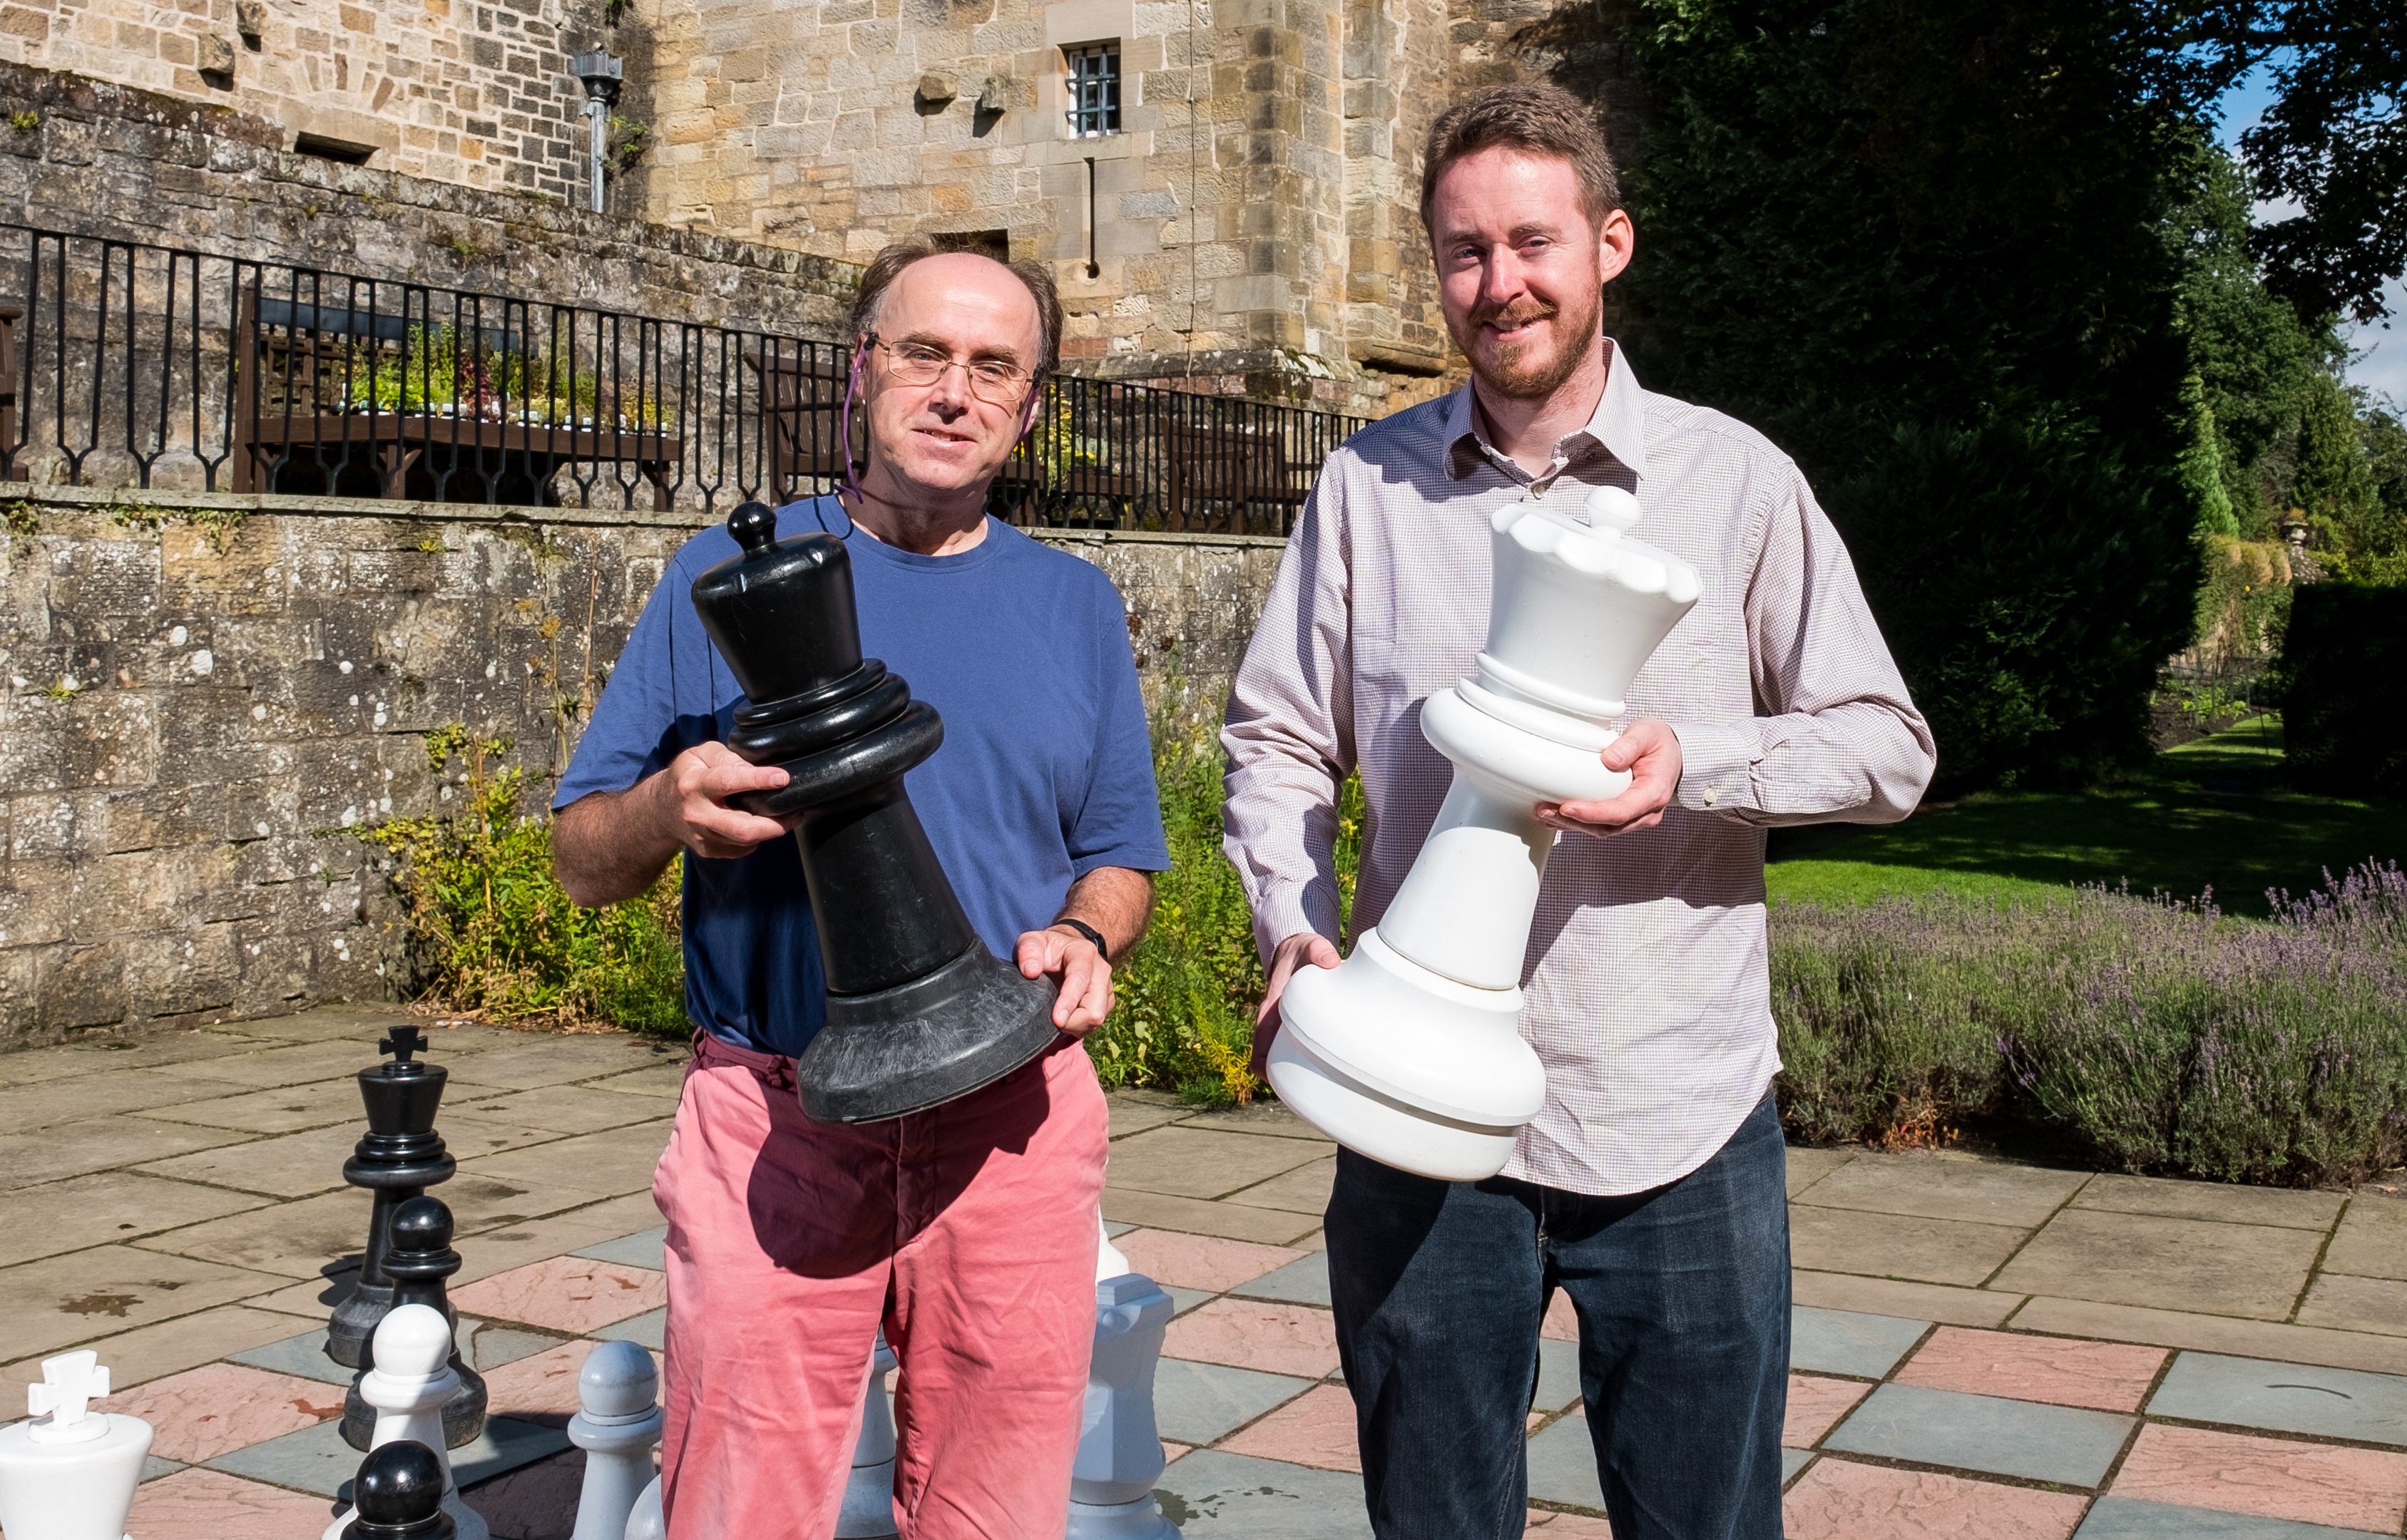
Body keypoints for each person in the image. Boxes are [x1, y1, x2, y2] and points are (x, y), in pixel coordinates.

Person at [1221, 83, 1937, 1539]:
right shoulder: (1366, 491)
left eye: (1532, 242)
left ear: (1608, 244)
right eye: (1463, 252)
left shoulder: (1732, 484)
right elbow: (1278, 742)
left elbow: (1885, 749)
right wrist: (1291, 932)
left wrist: (1700, 763)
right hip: (1417, 1115)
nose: (1500, 285)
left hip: (1669, 1108)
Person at [551, 237, 1170, 1539]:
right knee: (740, 1511)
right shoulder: (720, 586)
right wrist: (668, 809)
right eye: (925, 353)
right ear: (863, 372)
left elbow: (1123, 854)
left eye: (995, 366)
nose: (956, 392)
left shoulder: (1074, 605)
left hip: (1010, 1120)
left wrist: (1085, 932)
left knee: (996, 1516)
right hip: (779, 1117)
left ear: (1032, 401)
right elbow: (581, 859)